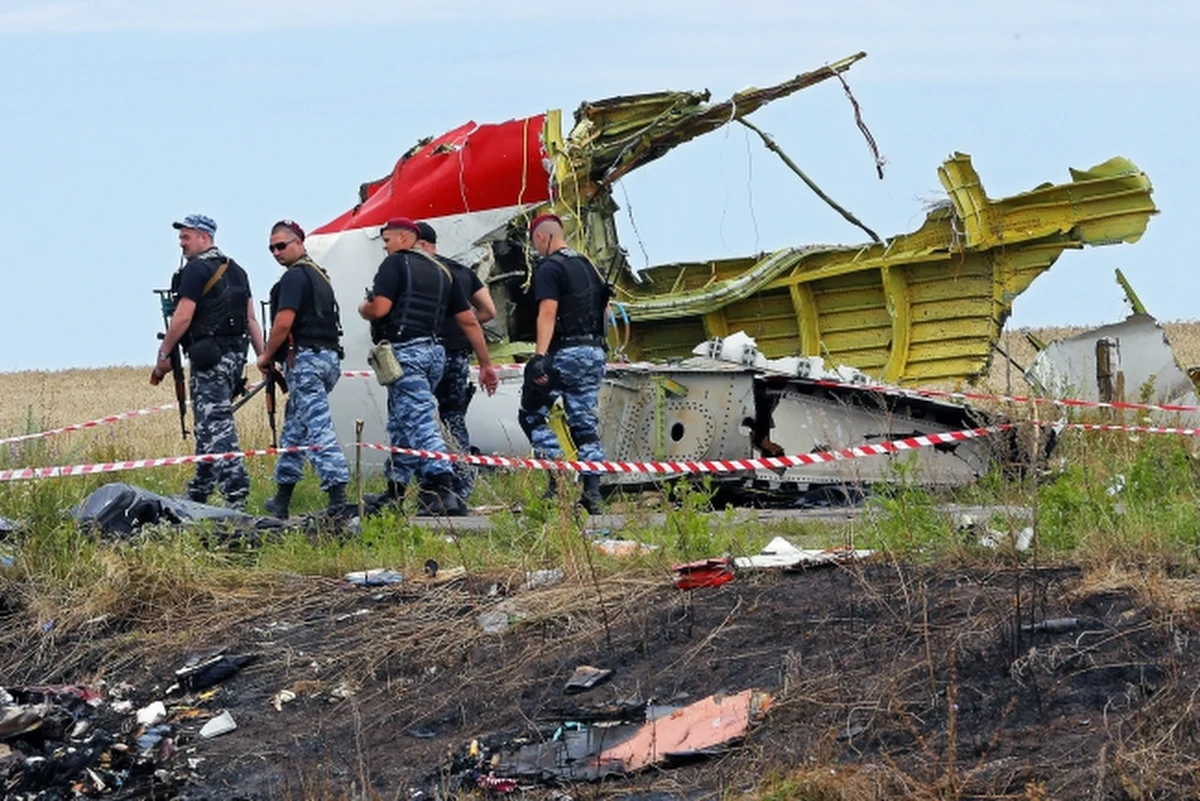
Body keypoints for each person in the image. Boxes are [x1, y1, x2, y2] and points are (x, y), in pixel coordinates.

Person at [358, 217, 499, 516]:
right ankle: (394, 491)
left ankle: (444, 489)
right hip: (435, 353)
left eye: (387, 240)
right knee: (401, 423)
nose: (385, 247)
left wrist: (364, 308)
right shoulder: (444, 271)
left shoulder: (395, 265)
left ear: (406, 238)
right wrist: (486, 363)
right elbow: (470, 319)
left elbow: (380, 308)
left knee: (421, 422)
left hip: (406, 352)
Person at [152, 214, 265, 509]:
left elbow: (183, 317)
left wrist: (164, 353)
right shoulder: (237, 270)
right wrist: (262, 355)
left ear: (205, 237)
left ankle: (235, 495)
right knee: (206, 424)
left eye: (186, 237)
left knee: (217, 424)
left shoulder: (195, 270)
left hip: (209, 358)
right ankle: (200, 490)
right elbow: (251, 319)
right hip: (235, 356)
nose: (181, 243)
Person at [257, 220, 352, 518]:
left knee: (316, 427)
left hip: (306, 360)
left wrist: (266, 356)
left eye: (281, 245)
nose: (275, 252)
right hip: (327, 358)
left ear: (299, 242)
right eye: (271, 248)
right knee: (295, 430)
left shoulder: (295, 278)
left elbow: (283, 323)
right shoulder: (320, 276)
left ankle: (338, 498)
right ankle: (281, 499)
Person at [518, 213, 610, 513]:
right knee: (584, 425)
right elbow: (605, 309)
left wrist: (540, 357)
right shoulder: (588, 265)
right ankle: (593, 491)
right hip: (594, 352)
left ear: (542, 238)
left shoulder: (549, 267)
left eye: (535, 243)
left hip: (565, 353)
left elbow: (547, 312)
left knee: (531, 413)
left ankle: (557, 479)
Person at [415, 220, 497, 506]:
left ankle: (432, 487)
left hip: (426, 353)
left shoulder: (418, 271)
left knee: (421, 419)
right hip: (458, 355)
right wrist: (463, 325)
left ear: (421, 243)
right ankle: (462, 486)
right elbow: (489, 310)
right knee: (454, 419)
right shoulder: (462, 271)